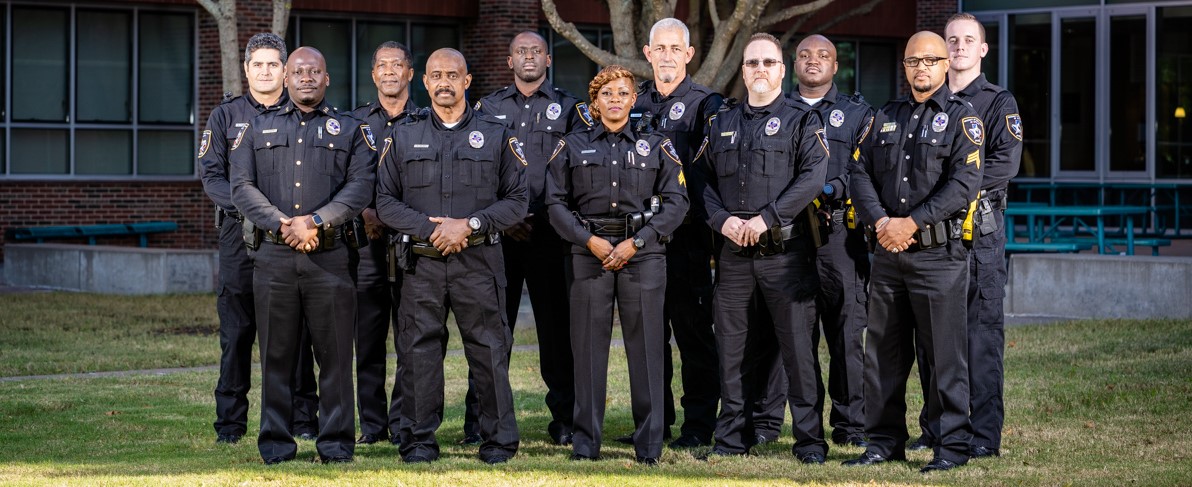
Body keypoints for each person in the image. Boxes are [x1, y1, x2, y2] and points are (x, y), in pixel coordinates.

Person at [374, 48, 525, 465]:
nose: (444, 82)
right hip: (420, 264)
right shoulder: (402, 133)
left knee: (489, 351)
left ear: (467, 81)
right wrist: (432, 229)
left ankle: (497, 442)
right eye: (436, 75)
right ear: (424, 81)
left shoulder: (497, 132)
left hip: (478, 263)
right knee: (419, 354)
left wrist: (470, 225)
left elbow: (517, 200)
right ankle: (419, 441)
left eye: (452, 75)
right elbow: (385, 201)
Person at [842, 31, 984, 473]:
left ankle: (951, 446)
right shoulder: (885, 115)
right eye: (912, 61)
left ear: (946, 65)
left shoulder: (963, 119)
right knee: (881, 353)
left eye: (929, 60)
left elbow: (964, 183)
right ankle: (883, 442)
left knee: (944, 355)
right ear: (904, 67)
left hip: (938, 257)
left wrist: (913, 222)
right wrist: (883, 223)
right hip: (888, 253)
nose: (920, 68)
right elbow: (858, 172)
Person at [230, 46, 376, 465]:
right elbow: (241, 187)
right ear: (286, 79)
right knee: (276, 356)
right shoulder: (256, 129)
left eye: (315, 71)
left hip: (330, 260)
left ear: (326, 79)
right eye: (298, 72)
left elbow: (360, 187)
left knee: (333, 356)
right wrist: (281, 224)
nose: (307, 78)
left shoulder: (349, 129)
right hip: (274, 258)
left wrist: (314, 221)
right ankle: (276, 444)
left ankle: (335, 444)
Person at [690, 33, 829, 463]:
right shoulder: (721, 123)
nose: (760, 70)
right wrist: (722, 220)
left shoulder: (803, 120)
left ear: (782, 70)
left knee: (798, 353)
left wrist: (766, 217)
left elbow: (812, 176)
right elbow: (700, 180)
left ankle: (809, 442)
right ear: (743, 71)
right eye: (753, 63)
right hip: (733, 257)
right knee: (731, 351)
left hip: (786, 255)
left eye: (769, 62)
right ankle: (732, 438)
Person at [545, 64, 689, 465]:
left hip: (643, 255)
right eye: (607, 94)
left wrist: (637, 242)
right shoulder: (570, 145)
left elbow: (678, 203)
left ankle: (649, 447)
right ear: (594, 102)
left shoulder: (655, 144)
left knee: (646, 352)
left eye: (623, 93)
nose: (615, 100)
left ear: (633, 99)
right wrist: (587, 240)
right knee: (588, 353)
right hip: (587, 253)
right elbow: (554, 204)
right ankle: (586, 444)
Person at [909, 13, 1022, 459]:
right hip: (932, 239)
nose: (957, 46)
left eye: (966, 40)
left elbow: (1003, 166)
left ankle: (982, 435)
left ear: (982, 49)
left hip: (979, 238)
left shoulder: (997, 103)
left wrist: (946, 192)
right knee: (933, 337)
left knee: (979, 337)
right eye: (950, 40)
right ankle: (937, 428)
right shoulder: (925, 103)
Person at [470, 31, 591, 446]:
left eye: (536, 51)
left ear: (547, 60)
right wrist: (501, 218)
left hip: (549, 234)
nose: (528, 57)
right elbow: (477, 170)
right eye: (521, 51)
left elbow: (579, 168)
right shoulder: (486, 108)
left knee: (556, 332)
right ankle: (479, 421)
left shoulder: (572, 108)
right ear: (509, 61)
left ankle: (565, 421)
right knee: (489, 329)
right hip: (497, 236)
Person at [199, 32, 319, 445]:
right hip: (240, 236)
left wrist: (287, 222)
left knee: (296, 333)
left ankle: (303, 418)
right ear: (246, 69)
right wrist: (258, 212)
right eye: (258, 65)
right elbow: (212, 178)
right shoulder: (225, 116)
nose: (265, 71)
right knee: (236, 333)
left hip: (288, 237)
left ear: (285, 71)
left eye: (273, 64)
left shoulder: (301, 113)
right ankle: (230, 426)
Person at [627, 17, 723, 449]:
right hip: (643, 239)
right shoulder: (632, 105)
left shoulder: (708, 105)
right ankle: (655, 423)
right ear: (647, 54)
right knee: (650, 336)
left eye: (675, 49)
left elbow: (713, 173)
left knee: (693, 333)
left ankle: (699, 424)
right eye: (658, 49)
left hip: (687, 239)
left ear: (688, 55)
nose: (666, 56)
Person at [788, 34, 875, 448]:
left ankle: (851, 425)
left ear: (836, 66)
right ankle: (773, 422)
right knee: (791, 337)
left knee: (846, 335)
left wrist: (828, 190)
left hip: (841, 236)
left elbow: (866, 169)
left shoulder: (857, 113)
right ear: (794, 63)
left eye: (822, 56)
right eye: (804, 55)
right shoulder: (777, 111)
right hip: (787, 238)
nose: (813, 61)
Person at [348, 40, 420, 446]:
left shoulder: (427, 120)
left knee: (411, 337)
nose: (390, 71)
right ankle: (372, 426)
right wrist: (365, 213)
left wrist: (393, 216)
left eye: (398, 65)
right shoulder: (354, 122)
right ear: (374, 74)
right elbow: (342, 179)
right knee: (368, 340)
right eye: (382, 65)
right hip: (364, 248)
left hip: (412, 248)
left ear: (410, 74)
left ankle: (404, 422)